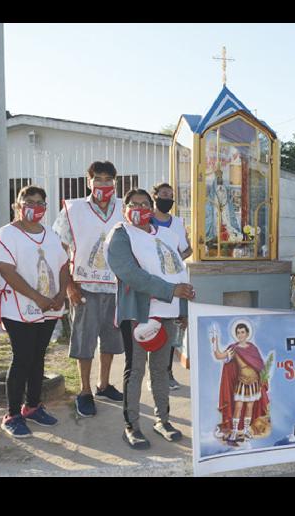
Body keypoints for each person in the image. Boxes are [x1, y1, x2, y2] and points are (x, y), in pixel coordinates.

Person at [106, 188, 196, 449]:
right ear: (124, 209)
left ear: (152, 206)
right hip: (138, 312)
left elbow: (178, 271)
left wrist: (183, 309)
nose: (140, 208)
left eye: (145, 204)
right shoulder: (121, 235)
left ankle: (162, 420)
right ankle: (132, 426)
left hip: (167, 312)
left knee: (161, 370)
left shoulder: (167, 235)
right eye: (133, 204)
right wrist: (170, 291)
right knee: (135, 370)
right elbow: (129, 273)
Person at [0, 186, 70, 438]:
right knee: (22, 357)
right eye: (29, 201)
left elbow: (63, 265)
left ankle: (32, 406)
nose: (35, 206)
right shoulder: (3, 236)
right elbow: (7, 272)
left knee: (38, 357)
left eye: (40, 202)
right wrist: (39, 298)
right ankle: (12, 414)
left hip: (49, 307)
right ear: (17, 204)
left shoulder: (51, 235)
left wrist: (59, 295)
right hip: (19, 308)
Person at [53, 161, 126, 418]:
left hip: (116, 288)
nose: (103, 184)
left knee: (111, 340)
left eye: (108, 179)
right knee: (84, 340)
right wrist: (69, 286)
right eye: (98, 178)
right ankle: (84, 391)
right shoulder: (73, 210)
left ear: (114, 183)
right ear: (89, 181)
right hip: (85, 286)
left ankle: (103, 385)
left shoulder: (124, 208)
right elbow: (58, 251)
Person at [150, 182, 192, 392]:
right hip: (152, 283)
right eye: (164, 194)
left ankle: (167, 372)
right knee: (152, 328)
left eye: (171, 195)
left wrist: (174, 260)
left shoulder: (177, 222)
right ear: (155, 196)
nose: (168, 198)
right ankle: (154, 376)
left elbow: (187, 249)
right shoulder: (146, 220)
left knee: (171, 329)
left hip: (174, 282)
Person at [212, 320, 270, 445]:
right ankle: (234, 431)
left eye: (242, 332)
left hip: (254, 383)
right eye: (238, 333)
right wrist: (215, 342)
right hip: (242, 383)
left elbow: (260, 365)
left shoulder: (253, 348)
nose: (240, 335)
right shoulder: (234, 349)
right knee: (238, 407)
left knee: (249, 407)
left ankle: (245, 430)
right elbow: (219, 356)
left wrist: (263, 378)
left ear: (247, 333)